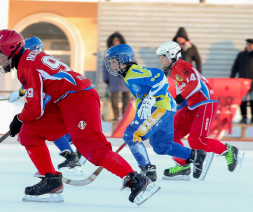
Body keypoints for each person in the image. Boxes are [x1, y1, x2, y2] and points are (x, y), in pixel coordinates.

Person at [0, 29, 159, 205]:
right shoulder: (30, 57)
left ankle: (135, 179)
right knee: (28, 133)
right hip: (64, 101)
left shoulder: (25, 65)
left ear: (10, 49)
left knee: (93, 150)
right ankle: (52, 180)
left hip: (79, 100)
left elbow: (35, 110)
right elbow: (39, 99)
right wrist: (23, 118)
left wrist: (19, 118)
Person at [104, 44, 213, 182]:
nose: (112, 65)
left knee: (131, 135)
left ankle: (147, 171)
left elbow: (159, 77)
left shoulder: (134, 71)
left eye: (114, 61)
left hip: (160, 107)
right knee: (161, 146)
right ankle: (195, 155)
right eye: (110, 62)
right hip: (164, 108)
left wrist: (150, 98)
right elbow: (140, 97)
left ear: (124, 59)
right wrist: (141, 109)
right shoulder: (127, 76)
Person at [156, 41, 242, 179]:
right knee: (170, 134)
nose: (161, 61)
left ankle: (228, 151)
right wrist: (169, 106)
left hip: (205, 103)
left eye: (163, 57)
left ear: (172, 54)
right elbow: (183, 97)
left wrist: (177, 99)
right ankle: (183, 165)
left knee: (196, 140)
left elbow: (194, 84)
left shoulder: (181, 65)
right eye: (159, 58)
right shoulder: (174, 71)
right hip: (192, 105)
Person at [7, 36, 83, 172]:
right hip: (63, 97)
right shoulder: (45, 59)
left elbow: (36, 80)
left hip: (59, 98)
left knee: (45, 124)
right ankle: (75, 148)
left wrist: (20, 93)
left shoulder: (33, 61)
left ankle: (72, 154)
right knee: (53, 127)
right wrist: (19, 92)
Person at [230, 39, 253, 124]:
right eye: (248, 45)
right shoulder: (241, 55)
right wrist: (232, 78)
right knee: (243, 101)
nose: (250, 47)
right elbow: (235, 66)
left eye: (252, 45)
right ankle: (244, 118)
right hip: (242, 83)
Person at [103, 32, 130, 121]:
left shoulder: (127, 51)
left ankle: (125, 114)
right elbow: (105, 66)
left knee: (126, 96)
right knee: (114, 97)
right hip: (113, 78)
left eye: (117, 40)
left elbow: (133, 62)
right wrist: (105, 78)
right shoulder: (108, 52)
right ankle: (116, 114)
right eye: (114, 41)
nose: (116, 42)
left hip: (125, 77)